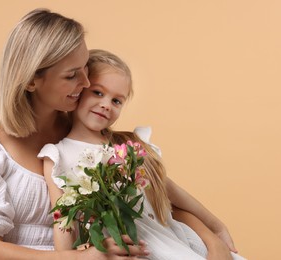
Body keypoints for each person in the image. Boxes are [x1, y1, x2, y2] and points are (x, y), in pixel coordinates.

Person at [0, 9, 149, 259]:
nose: (85, 83)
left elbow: (152, 199)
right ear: (30, 81)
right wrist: (86, 257)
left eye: (85, 68)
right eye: (72, 75)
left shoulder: (84, 132)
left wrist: (210, 234)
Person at [39, 49, 246, 259]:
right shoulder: (58, 156)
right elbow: (63, 220)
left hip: (173, 242)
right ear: (79, 90)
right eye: (98, 93)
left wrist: (217, 227)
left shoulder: (128, 147)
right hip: (131, 250)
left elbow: (172, 192)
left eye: (117, 101)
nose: (106, 105)